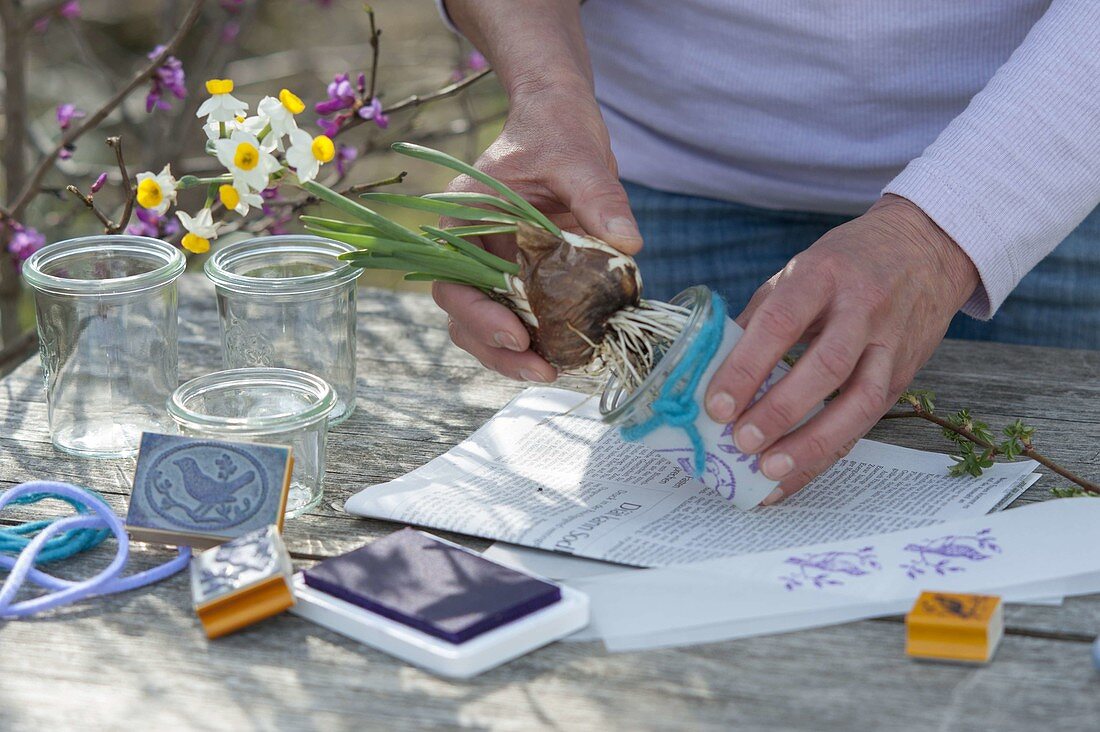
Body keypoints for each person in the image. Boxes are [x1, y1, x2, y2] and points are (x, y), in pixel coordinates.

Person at [433, 1, 1100, 505]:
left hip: (1037, 162)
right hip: (647, 173)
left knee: (1044, 519)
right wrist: (548, 90)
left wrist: (943, 234)